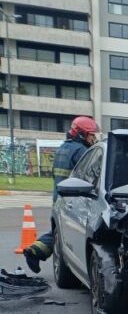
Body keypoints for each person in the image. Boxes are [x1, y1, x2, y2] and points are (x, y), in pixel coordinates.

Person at [23, 116, 100, 273]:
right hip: (75, 199)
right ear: (81, 134)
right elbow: (93, 176)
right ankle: (35, 252)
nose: (94, 138)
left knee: (59, 232)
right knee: (67, 234)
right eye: (91, 135)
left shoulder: (63, 148)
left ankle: (35, 251)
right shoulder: (82, 151)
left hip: (60, 197)